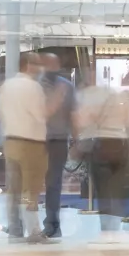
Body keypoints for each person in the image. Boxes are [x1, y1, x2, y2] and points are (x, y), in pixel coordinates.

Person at [75, 73, 129, 243]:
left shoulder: (91, 98)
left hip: (102, 143)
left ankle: (107, 231)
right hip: (120, 143)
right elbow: (128, 122)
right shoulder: (119, 98)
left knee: (104, 189)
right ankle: (115, 229)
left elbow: (84, 121)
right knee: (116, 188)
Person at [0, 51, 50, 243]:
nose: (40, 69)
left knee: (13, 188)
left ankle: (14, 227)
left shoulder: (6, 85)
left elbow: (0, 112)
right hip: (31, 143)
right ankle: (34, 230)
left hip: (10, 140)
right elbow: (40, 115)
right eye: (37, 64)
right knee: (31, 188)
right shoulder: (33, 87)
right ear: (28, 66)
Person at [41, 61, 78, 238]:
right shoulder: (36, 86)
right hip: (37, 139)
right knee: (34, 183)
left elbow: (73, 113)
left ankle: (52, 224)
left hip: (57, 140)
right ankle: (26, 223)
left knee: (53, 183)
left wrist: (76, 138)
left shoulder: (67, 87)